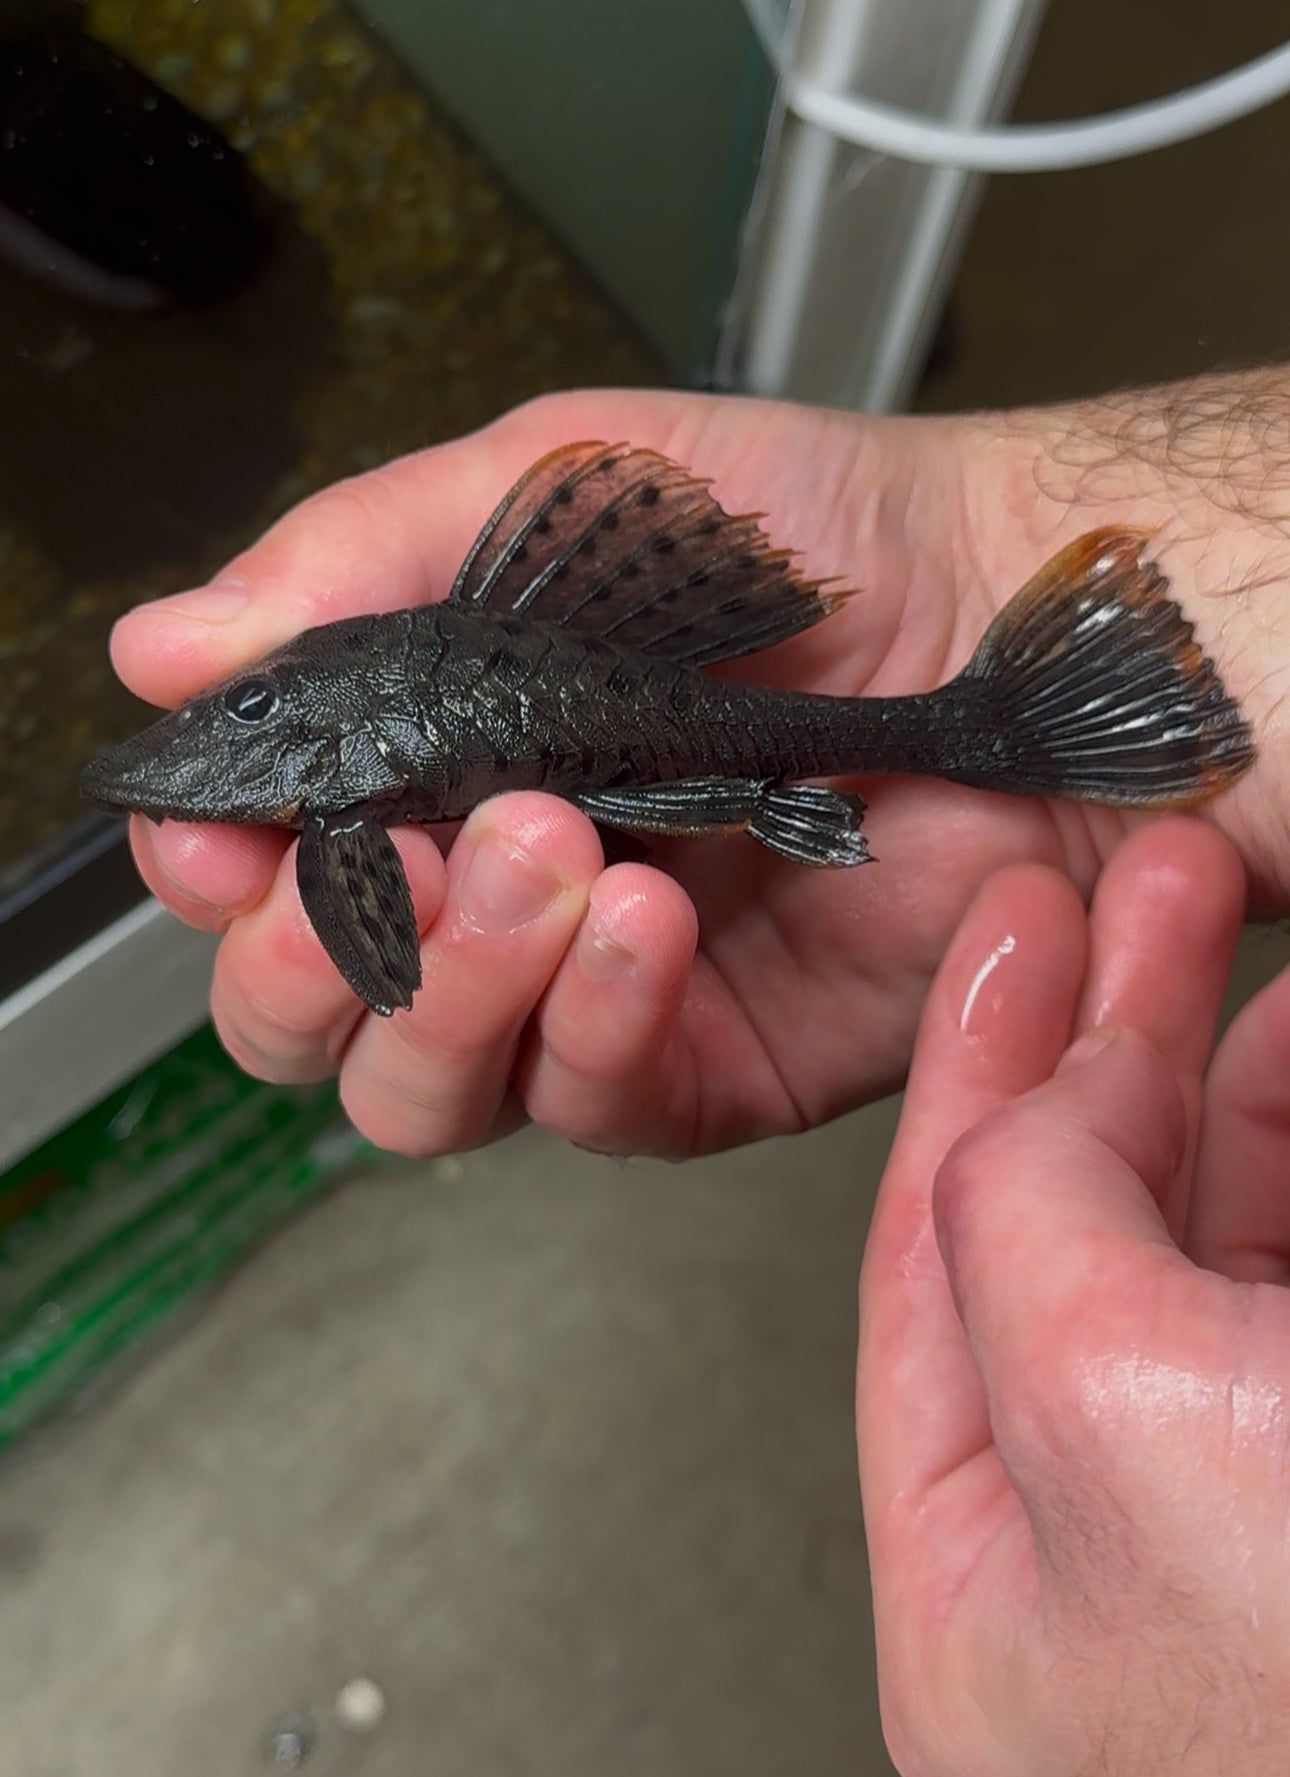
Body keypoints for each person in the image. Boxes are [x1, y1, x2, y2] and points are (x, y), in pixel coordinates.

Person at [112, 368, 1290, 1772]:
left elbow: (376, 924)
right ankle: (1016, 711)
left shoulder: (342, 805)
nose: (208, 744)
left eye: (240, 721)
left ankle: (1005, 713)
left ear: (307, 725)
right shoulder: (339, 778)